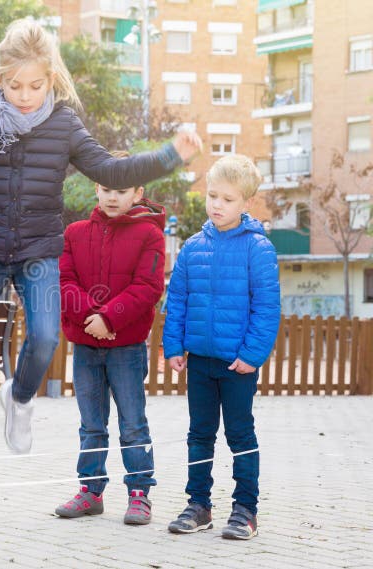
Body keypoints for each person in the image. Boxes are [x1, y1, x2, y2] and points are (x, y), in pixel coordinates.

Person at [0, 18, 202, 488]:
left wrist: (170, 157)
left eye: (35, 85)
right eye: (15, 85)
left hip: (39, 250)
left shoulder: (63, 125)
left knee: (45, 338)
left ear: (51, 79)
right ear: (0, 78)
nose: (24, 94)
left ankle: (18, 398)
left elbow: (110, 169)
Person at [163, 154, 280, 540]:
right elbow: (177, 298)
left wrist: (252, 355)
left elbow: (266, 307)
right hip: (199, 360)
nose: (217, 204)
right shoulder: (193, 247)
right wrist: (174, 346)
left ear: (246, 202)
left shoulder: (258, 249)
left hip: (237, 365)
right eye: (213, 195)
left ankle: (246, 509)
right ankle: (199, 505)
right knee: (199, 434)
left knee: (240, 435)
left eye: (228, 199)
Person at [54, 153, 165, 524]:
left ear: (137, 192)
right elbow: (64, 281)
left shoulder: (150, 234)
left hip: (126, 348)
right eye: (106, 189)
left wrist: (109, 317)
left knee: (133, 422)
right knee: (91, 423)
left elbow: (147, 286)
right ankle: (90, 491)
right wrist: (91, 318)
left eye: (121, 190)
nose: (112, 197)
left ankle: (139, 493)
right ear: (96, 188)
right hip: (86, 346)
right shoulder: (74, 234)